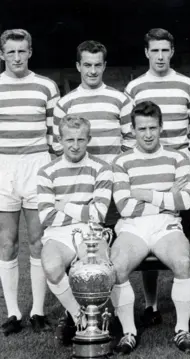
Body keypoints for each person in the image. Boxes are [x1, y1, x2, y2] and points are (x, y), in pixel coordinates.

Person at [125, 28, 190, 327]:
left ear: (172, 51)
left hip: (178, 172)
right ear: (146, 52)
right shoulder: (135, 87)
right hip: (147, 170)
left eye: (165, 50)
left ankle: (188, 298)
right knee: (144, 235)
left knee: (179, 237)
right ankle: (151, 304)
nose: (160, 56)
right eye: (154, 50)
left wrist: (185, 172)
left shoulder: (187, 85)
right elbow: (132, 133)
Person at [109, 101, 190, 354]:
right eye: (142, 128)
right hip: (132, 227)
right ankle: (128, 332)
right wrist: (166, 196)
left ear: (161, 128)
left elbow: (186, 201)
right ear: (132, 130)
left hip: (167, 226)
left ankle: (182, 329)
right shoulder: (122, 161)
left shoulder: (178, 157)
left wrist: (143, 193)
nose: (148, 134)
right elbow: (125, 208)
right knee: (118, 266)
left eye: (153, 128)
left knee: (182, 262)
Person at [0, 28, 60, 334]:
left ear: (30, 52)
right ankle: (13, 312)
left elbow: (55, 135)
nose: (16, 57)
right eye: (10, 52)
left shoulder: (46, 87)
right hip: (4, 166)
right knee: (7, 243)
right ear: (2, 55)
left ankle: (37, 311)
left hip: (37, 164)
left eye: (21, 51)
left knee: (38, 241)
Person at [37, 115, 113, 345]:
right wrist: (82, 209)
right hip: (58, 233)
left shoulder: (101, 168)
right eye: (69, 139)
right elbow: (46, 216)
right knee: (51, 266)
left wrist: (64, 206)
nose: (75, 145)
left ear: (88, 139)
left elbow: (98, 213)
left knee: (95, 269)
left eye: (81, 139)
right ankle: (80, 318)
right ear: (60, 140)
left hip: (91, 231)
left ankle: (100, 317)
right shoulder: (47, 171)